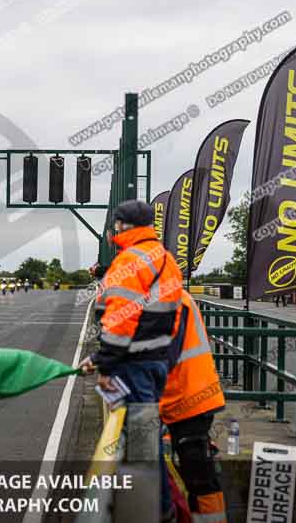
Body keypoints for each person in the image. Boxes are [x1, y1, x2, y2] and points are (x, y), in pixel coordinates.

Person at [80, 199, 183, 523]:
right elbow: (173, 320)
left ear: (124, 226)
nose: (112, 232)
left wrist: (105, 364)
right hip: (157, 363)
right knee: (145, 442)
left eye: (116, 225)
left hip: (133, 366)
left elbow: (120, 323)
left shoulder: (130, 261)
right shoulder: (165, 260)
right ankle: (159, 510)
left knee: (140, 446)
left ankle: (155, 511)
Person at [160, 289, 227, 523]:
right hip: (187, 396)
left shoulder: (165, 299)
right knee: (198, 473)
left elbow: (158, 356)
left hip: (189, 398)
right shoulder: (172, 294)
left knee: (199, 476)